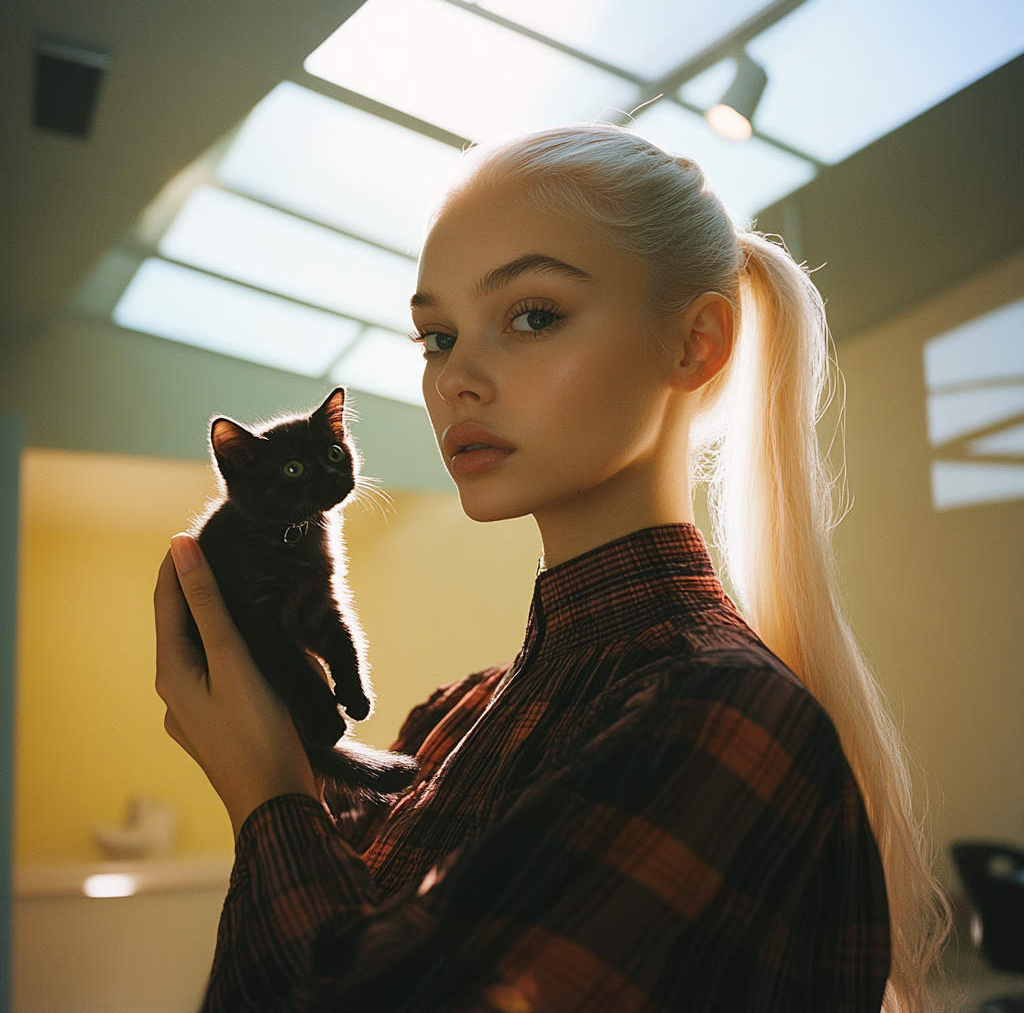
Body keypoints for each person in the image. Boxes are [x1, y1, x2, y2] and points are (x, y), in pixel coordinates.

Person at [154, 124, 948, 1012]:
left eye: (533, 315)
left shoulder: (720, 715)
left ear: (696, 344)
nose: (457, 379)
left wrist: (268, 797)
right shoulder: (442, 725)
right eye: (436, 337)